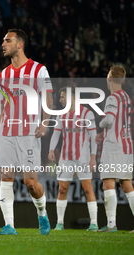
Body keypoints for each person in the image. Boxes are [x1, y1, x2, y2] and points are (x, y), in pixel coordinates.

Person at [0, 29, 52, 235]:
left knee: (30, 182)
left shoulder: (39, 70)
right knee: (6, 176)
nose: (3, 44)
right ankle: (9, 225)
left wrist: (45, 122)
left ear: (20, 44)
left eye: (7, 40)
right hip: (7, 133)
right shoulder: (2, 75)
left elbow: (48, 98)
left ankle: (42, 213)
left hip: (29, 133)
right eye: (3, 41)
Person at [48, 86, 98, 231]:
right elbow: (56, 134)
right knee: (62, 189)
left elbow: (93, 136)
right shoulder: (61, 115)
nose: (60, 100)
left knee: (88, 188)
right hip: (65, 157)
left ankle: (94, 222)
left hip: (83, 157)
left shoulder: (87, 113)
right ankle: (59, 223)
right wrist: (51, 149)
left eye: (62, 96)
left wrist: (93, 157)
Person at [95, 65, 134, 232]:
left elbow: (109, 121)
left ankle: (111, 224)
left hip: (113, 147)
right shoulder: (126, 97)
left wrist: (100, 124)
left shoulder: (112, 98)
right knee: (127, 185)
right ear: (123, 80)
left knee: (108, 183)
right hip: (127, 147)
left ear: (109, 79)